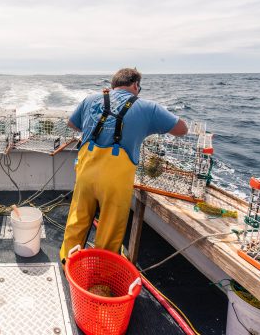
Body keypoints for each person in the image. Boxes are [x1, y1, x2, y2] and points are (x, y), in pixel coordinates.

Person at [60, 68, 188, 264]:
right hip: (115, 181)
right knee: (110, 229)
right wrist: (144, 128)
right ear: (136, 85)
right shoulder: (148, 108)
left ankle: (66, 262)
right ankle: (101, 271)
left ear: (113, 85)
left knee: (77, 219)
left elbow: (72, 123)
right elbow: (182, 130)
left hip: (85, 173)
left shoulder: (90, 99)